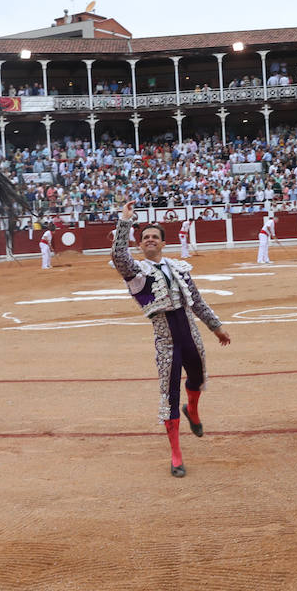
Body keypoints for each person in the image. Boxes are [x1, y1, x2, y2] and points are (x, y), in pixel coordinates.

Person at [111, 201, 232, 478]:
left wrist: (216, 327)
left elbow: (197, 301)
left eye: (155, 237)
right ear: (140, 245)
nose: (150, 240)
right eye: (145, 238)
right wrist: (125, 221)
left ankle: (192, 410)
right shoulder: (135, 271)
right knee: (168, 394)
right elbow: (119, 255)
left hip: (191, 333)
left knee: (199, 377)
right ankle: (176, 454)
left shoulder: (179, 268)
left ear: (163, 243)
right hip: (166, 340)